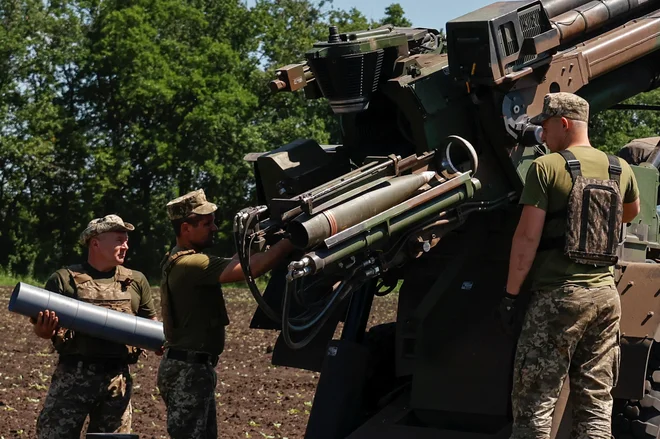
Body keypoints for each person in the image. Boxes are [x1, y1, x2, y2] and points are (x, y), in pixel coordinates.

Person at [501, 92, 641, 439]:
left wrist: (510, 294)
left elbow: (527, 239)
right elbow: (630, 213)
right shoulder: (619, 167)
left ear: (563, 124)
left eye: (546, 127)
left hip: (558, 298)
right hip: (606, 298)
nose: (543, 136)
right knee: (595, 403)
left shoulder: (546, 167)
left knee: (535, 403)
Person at [157, 189, 293, 439]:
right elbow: (251, 268)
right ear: (186, 228)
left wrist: (262, 240)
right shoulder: (191, 264)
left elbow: (235, 260)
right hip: (189, 370)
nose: (215, 228)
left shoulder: (181, 259)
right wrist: (290, 241)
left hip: (190, 367)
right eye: (207, 223)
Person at [32, 214, 158, 438]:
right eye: (119, 240)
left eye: (126, 240)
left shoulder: (136, 281)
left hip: (117, 380)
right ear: (96, 243)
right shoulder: (63, 280)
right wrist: (45, 330)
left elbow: (151, 324)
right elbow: (43, 330)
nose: (126, 246)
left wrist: (160, 341)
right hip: (73, 376)